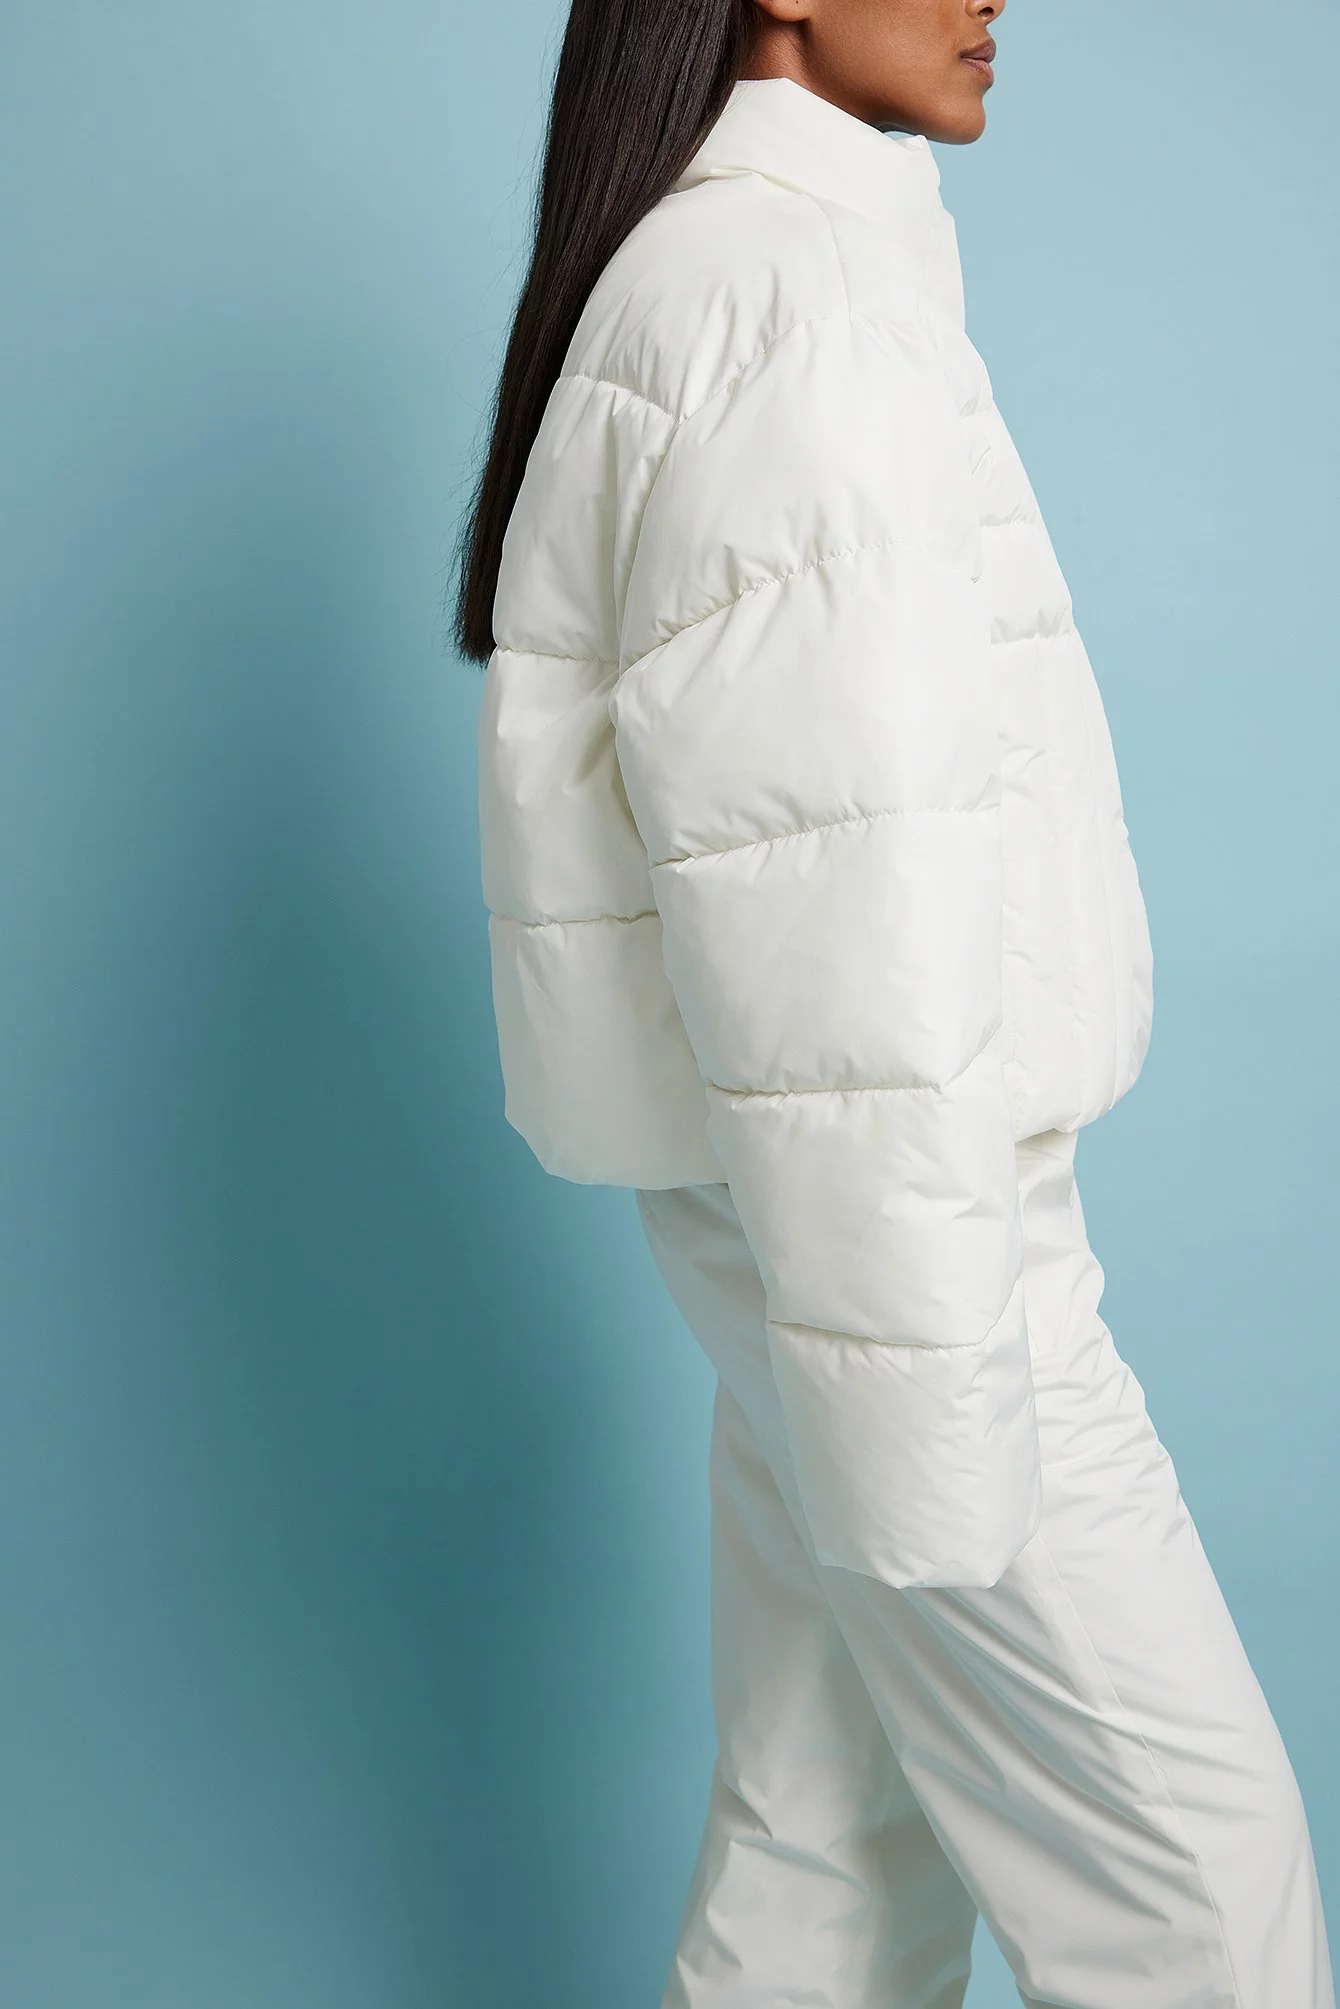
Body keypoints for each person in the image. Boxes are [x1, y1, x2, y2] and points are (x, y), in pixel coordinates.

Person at [455, 1, 1335, 2001]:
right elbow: (843, 879)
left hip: (820, 1222)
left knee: (829, 1867)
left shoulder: (735, 271)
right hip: (919, 1249)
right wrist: (937, 1390)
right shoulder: (792, 301)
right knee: (1200, 1894)